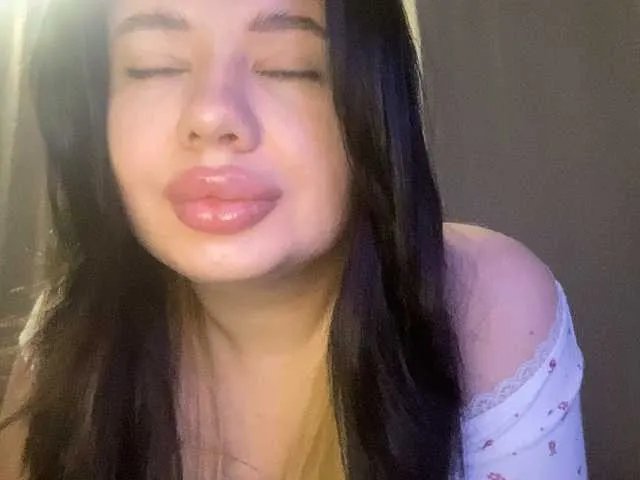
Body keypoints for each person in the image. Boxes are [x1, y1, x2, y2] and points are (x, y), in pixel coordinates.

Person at [0, 0, 587, 478]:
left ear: (374, 106)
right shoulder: (63, 347)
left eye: (289, 66)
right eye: (153, 66)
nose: (211, 115)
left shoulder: (485, 307)